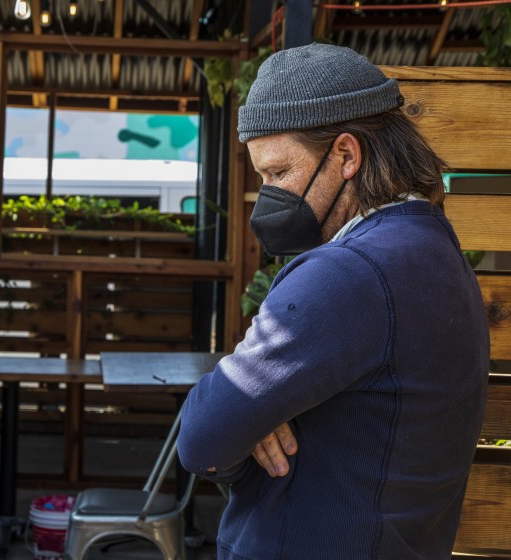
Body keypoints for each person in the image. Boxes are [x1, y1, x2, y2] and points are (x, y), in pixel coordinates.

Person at [177, 44, 489, 559]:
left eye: (278, 174)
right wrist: (251, 417)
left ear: (346, 155)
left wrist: (248, 423)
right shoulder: (434, 249)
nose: (268, 195)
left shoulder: (347, 274)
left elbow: (201, 438)